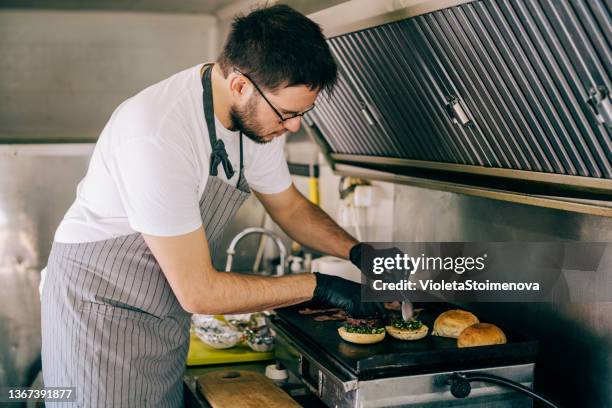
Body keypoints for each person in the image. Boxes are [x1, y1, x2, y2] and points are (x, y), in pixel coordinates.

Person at [40, 5, 382, 407]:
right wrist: (319, 286)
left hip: (162, 315)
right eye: (288, 114)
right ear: (240, 86)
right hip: (100, 317)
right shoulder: (158, 133)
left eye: (302, 114)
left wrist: (359, 253)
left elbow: (289, 207)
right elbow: (199, 291)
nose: (293, 127)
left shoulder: (257, 119)